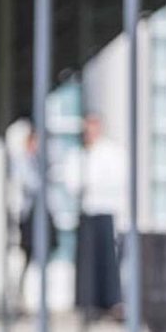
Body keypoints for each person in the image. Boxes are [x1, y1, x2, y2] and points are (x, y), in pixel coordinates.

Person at [70, 113, 127, 319]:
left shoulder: (111, 152)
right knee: (87, 262)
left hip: (106, 211)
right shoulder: (78, 154)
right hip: (87, 212)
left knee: (108, 260)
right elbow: (72, 183)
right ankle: (88, 303)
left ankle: (110, 302)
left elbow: (116, 181)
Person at [15, 126, 59, 310]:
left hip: (46, 213)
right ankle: (22, 296)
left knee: (46, 255)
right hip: (30, 215)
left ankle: (43, 295)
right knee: (28, 254)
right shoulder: (23, 161)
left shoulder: (47, 161)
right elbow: (29, 183)